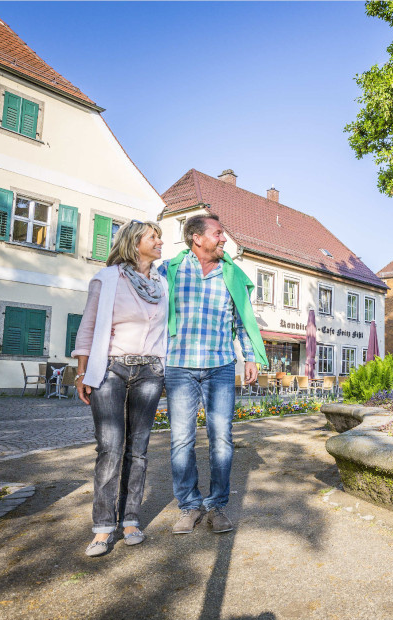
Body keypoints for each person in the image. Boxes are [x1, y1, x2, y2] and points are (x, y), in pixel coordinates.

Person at [161, 213, 268, 535]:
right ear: (197, 238)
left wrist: (250, 358)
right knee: (182, 440)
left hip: (220, 366)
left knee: (222, 438)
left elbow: (242, 322)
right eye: (218, 234)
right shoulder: (170, 271)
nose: (224, 239)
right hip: (179, 366)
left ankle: (217, 506)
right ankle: (189, 507)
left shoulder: (231, 275)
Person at [73, 221, 168, 557]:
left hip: (150, 371)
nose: (160, 241)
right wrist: (82, 370)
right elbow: (87, 327)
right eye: (153, 237)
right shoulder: (107, 278)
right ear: (133, 242)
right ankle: (102, 528)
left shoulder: (162, 283)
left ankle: (130, 520)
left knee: (138, 450)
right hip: (111, 368)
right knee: (110, 448)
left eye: (160, 237)